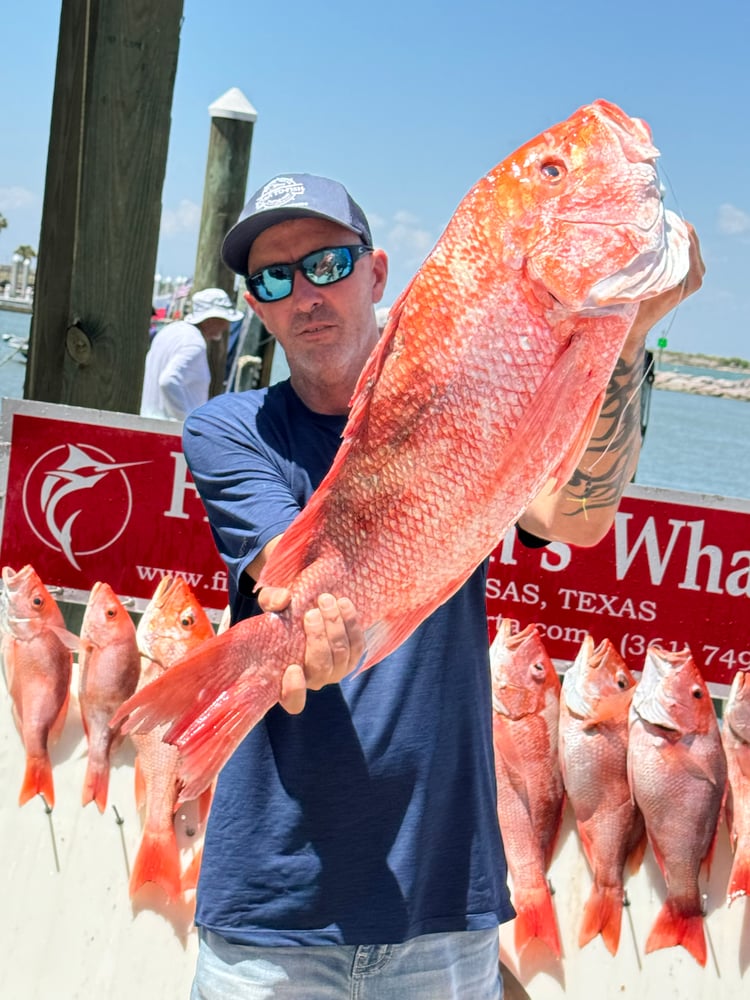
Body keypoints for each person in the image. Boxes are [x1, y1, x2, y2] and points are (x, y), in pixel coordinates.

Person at [181, 172, 705, 999]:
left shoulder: (469, 405)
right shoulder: (228, 427)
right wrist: (319, 634)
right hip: (270, 910)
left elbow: (574, 518)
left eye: (326, 263)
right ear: (256, 304)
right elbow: (291, 574)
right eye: (273, 279)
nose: (303, 294)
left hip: (443, 900)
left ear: (377, 272)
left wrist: (626, 338)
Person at [140, 287, 244, 420]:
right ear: (210, 319)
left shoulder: (169, 331)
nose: (226, 325)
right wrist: (188, 422)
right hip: (170, 432)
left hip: (148, 424)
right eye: (223, 319)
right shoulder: (194, 343)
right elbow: (168, 381)